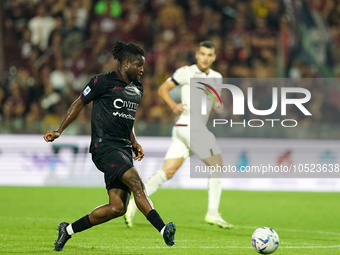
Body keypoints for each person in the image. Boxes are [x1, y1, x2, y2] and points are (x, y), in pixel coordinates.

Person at [43, 41, 176, 251]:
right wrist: (59, 130)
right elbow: (78, 103)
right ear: (127, 63)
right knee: (136, 181)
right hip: (103, 146)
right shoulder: (101, 81)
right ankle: (163, 229)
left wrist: (133, 141)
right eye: (139, 65)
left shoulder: (137, 89)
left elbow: (126, 119)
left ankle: (67, 230)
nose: (142, 69)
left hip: (123, 149)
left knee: (117, 207)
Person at [124, 41, 233, 229]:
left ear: (214, 57)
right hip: (190, 126)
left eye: (210, 55)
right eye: (203, 54)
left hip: (184, 129)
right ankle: (213, 213)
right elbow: (162, 90)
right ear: (197, 55)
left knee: (167, 171)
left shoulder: (217, 77)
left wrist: (217, 104)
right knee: (217, 165)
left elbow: (214, 99)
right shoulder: (186, 72)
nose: (206, 58)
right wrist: (173, 105)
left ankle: (133, 204)